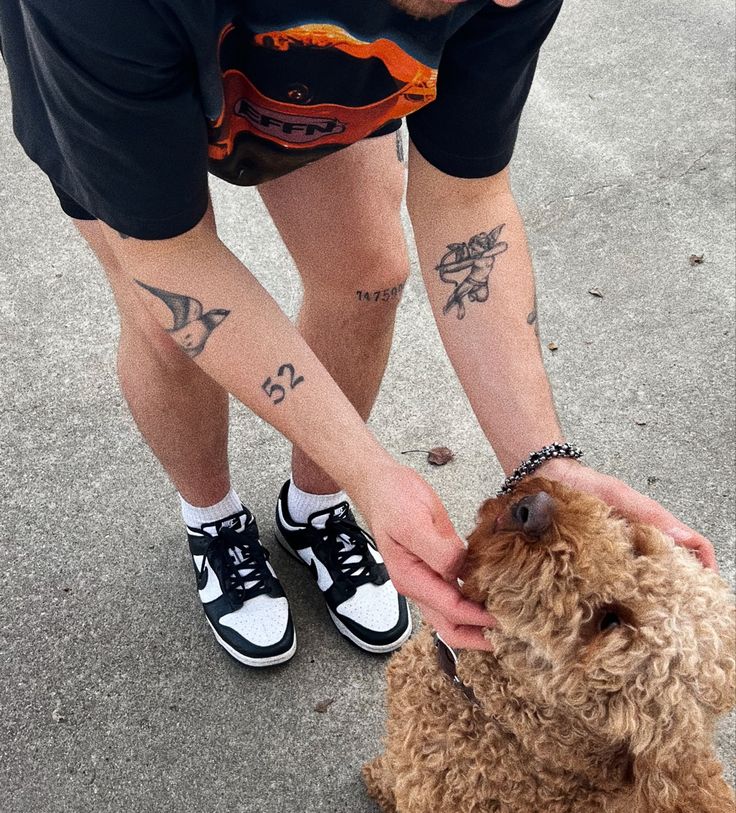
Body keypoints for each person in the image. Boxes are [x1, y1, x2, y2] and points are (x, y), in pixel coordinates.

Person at [0, 0, 716, 668]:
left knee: (368, 275)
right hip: (129, 60)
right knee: (166, 325)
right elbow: (170, 256)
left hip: (329, 61)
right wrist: (375, 472)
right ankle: (213, 516)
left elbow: (466, 198)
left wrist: (539, 461)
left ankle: (312, 507)